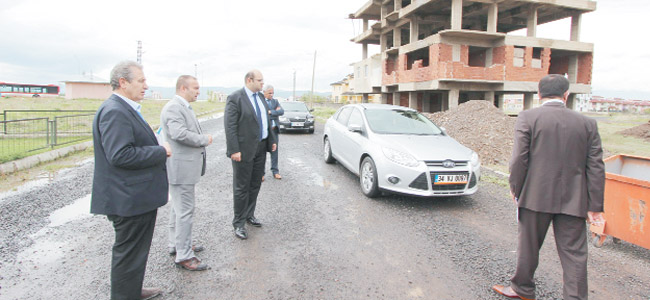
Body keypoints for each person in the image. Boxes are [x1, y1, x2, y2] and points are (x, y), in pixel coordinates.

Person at [492, 74, 606, 300]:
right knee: (574, 255)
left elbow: (518, 160)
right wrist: (595, 206)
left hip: (535, 196)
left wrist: (516, 189)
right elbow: (596, 167)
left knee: (529, 247)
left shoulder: (528, 117)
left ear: (539, 94)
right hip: (574, 200)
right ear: (566, 95)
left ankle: (522, 289)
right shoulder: (588, 124)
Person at [91, 61, 171, 300]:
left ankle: (132, 290)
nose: (146, 85)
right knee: (128, 253)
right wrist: (161, 151)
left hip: (135, 197)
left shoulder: (125, 108)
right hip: (128, 200)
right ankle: (125, 295)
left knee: (135, 253)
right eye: (141, 81)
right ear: (123, 82)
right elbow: (120, 155)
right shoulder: (115, 111)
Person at [161, 75, 212, 271]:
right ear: (183, 88)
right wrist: (203, 139)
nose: (198, 91)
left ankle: (176, 244)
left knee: (178, 209)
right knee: (185, 212)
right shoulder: (174, 107)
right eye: (195, 88)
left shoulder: (182, 106)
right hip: (181, 169)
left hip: (183, 169)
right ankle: (184, 255)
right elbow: (178, 133)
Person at [224, 70, 277, 240]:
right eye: (260, 81)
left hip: (260, 148)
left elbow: (266, 122)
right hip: (243, 150)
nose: (263, 84)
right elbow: (230, 126)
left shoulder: (261, 97)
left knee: (255, 183)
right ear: (249, 80)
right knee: (241, 187)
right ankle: (238, 223)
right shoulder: (235, 98)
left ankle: (249, 215)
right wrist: (234, 150)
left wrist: (271, 140)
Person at [263, 85, 284, 180]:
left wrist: (270, 112)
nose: (272, 95)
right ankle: (261, 173)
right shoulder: (261, 102)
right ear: (264, 92)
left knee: (274, 151)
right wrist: (274, 112)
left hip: (274, 131)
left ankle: (275, 171)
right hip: (264, 131)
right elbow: (262, 114)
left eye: (273, 93)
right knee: (262, 153)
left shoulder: (275, 101)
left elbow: (281, 111)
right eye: (269, 93)